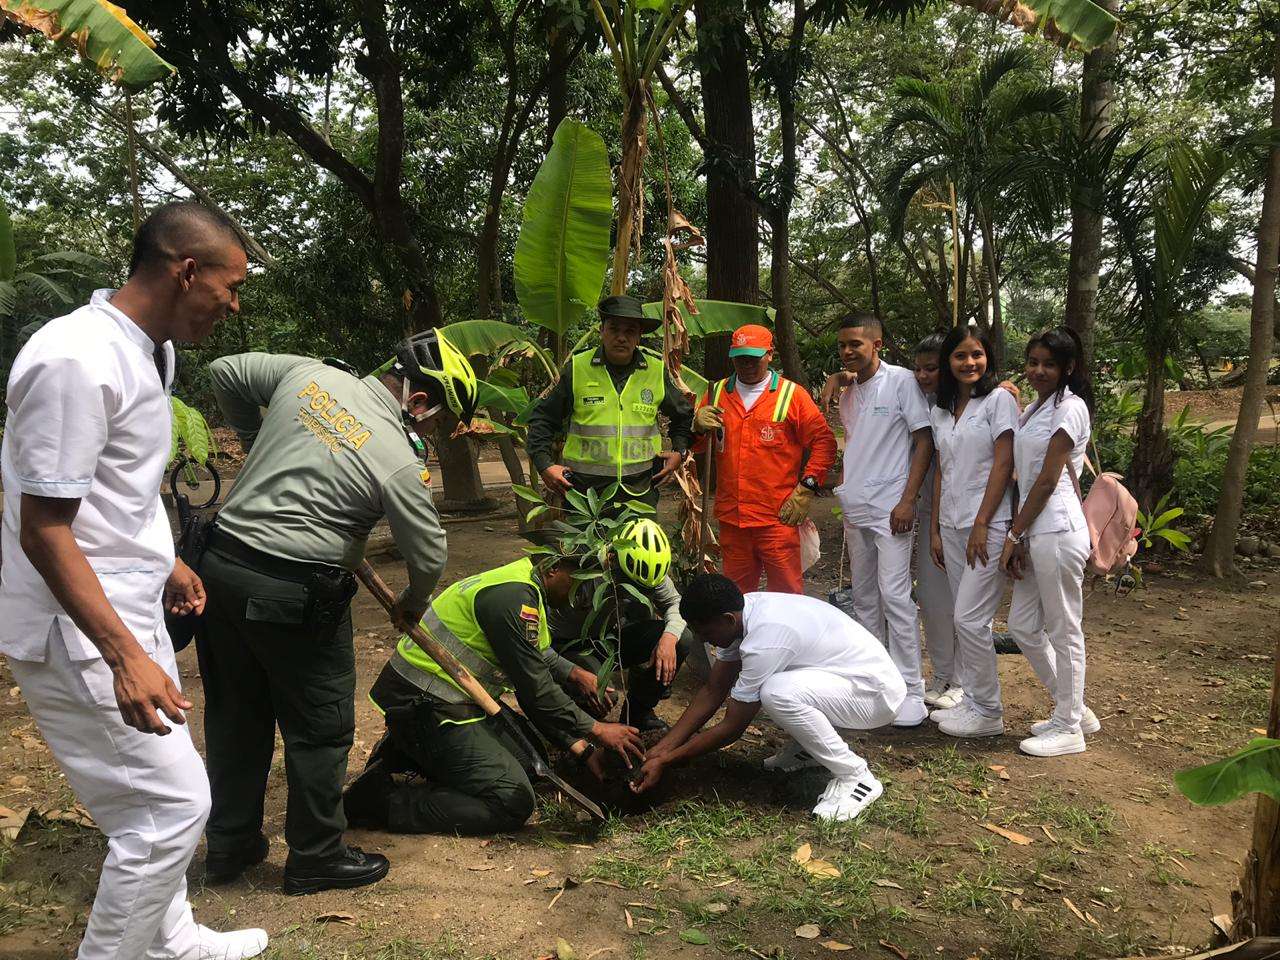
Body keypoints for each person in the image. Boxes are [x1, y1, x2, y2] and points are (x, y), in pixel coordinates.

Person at [0, 202, 268, 960]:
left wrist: (166, 559)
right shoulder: (73, 361)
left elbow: (118, 482)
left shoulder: (150, 349)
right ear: (188, 271)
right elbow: (43, 525)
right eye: (231, 284)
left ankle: (172, 939)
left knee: (152, 801)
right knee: (172, 809)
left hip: (125, 599)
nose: (234, 303)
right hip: (76, 625)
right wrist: (123, 655)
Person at [196, 330, 479, 894]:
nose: (427, 434)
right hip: (297, 592)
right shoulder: (397, 459)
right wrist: (411, 603)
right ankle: (317, 856)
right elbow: (429, 553)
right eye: (432, 423)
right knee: (319, 729)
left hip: (220, 568)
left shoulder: (308, 373)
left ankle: (230, 847)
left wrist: (256, 441)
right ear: (419, 401)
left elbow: (225, 371)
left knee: (235, 714)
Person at [341, 554, 646, 834]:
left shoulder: (525, 586)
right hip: (424, 704)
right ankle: (381, 801)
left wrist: (576, 684)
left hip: (455, 701)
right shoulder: (512, 600)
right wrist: (596, 730)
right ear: (554, 568)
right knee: (511, 799)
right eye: (577, 586)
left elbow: (539, 658)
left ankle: (404, 753)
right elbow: (537, 692)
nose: (579, 598)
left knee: (531, 763)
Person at [630, 575, 906, 823]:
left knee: (776, 693)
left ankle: (855, 776)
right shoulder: (742, 613)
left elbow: (733, 727)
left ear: (727, 619)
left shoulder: (765, 638)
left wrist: (668, 761)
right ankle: (809, 748)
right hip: (843, 680)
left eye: (707, 634)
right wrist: (663, 748)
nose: (706, 641)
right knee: (776, 689)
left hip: (874, 695)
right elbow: (713, 690)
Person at [820, 313, 933, 727]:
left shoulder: (901, 381)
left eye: (856, 344)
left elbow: (923, 441)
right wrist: (838, 377)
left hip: (892, 508)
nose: (848, 352)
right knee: (865, 598)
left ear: (877, 344)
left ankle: (912, 689)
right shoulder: (848, 391)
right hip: (857, 505)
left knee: (896, 595)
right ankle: (876, 678)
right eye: (843, 346)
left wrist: (908, 500)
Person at [999, 327, 1101, 757]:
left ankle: (1069, 726)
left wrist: (1013, 533)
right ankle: (1075, 707)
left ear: (1068, 368)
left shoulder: (1071, 408)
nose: (1039, 371)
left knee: (1064, 629)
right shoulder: (1038, 407)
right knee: (1022, 625)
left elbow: (1045, 481)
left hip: (1056, 527)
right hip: (1036, 529)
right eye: (1033, 362)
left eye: (1049, 364)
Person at [692, 324, 836, 594]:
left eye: (753, 357)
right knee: (736, 599)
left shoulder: (791, 395)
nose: (746, 364)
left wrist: (807, 487)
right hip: (732, 520)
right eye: (740, 357)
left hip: (778, 518)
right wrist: (697, 427)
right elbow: (700, 447)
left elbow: (824, 442)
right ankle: (743, 639)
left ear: (770, 354)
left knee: (787, 595)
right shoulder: (717, 392)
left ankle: (787, 638)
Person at [927, 328, 1019, 738]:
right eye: (961, 356)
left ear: (988, 358)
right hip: (949, 523)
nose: (970, 363)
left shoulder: (999, 401)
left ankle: (989, 712)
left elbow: (1004, 465)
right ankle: (973, 702)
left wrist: (983, 522)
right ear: (948, 361)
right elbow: (943, 472)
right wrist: (934, 529)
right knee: (965, 618)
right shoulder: (941, 410)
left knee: (970, 619)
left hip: (989, 524)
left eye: (977, 354)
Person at [526, 295, 694, 508]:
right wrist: (544, 465)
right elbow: (542, 418)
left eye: (630, 331)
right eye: (614, 329)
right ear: (602, 331)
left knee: (642, 543)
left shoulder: (655, 370)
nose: (621, 337)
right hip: (584, 495)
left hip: (640, 493)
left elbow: (683, 415)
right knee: (583, 544)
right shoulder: (577, 368)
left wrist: (680, 451)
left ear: (639, 336)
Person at [549, 519, 693, 732]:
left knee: (682, 638)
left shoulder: (651, 571)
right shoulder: (581, 568)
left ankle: (638, 712)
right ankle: (575, 727)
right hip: (567, 645)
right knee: (604, 696)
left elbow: (674, 602)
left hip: (608, 638)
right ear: (613, 560)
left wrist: (669, 639)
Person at [911, 334, 962, 712]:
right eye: (919, 368)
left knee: (964, 604)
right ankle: (943, 674)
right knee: (931, 599)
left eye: (931, 368)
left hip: (967, 517)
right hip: (931, 513)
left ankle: (964, 681)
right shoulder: (928, 405)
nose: (922, 376)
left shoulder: (979, 404)